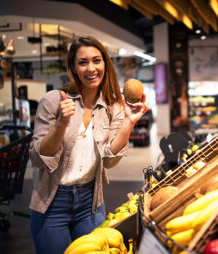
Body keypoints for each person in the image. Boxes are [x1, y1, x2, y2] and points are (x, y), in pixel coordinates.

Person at [29, 36, 148, 254]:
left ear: (105, 64)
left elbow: (110, 161)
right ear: (73, 68)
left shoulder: (112, 107)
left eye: (96, 60)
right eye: (82, 62)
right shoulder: (54, 101)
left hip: (90, 203)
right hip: (52, 204)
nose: (91, 68)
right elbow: (38, 158)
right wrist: (61, 126)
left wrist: (129, 122)